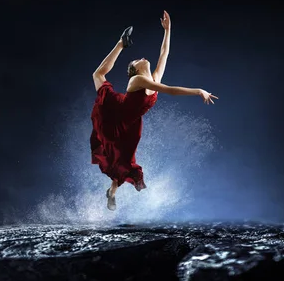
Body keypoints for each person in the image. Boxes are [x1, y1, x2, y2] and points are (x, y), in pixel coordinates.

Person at [90, 11, 218, 210]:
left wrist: (168, 30)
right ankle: (121, 44)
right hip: (116, 113)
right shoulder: (137, 80)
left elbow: (164, 53)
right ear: (135, 70)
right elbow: (170, 91)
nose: (142, 57)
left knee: (124, 161)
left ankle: (111, 192)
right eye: (137, 60)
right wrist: (198, 91)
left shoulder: (153, 77)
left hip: (132, 126)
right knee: (98, 74)